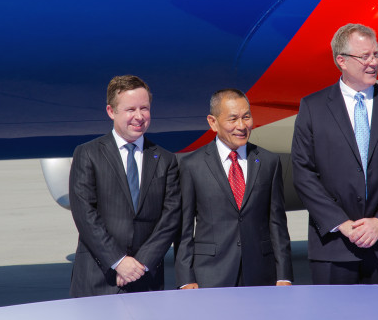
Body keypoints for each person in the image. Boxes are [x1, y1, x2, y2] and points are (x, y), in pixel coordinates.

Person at [291, 24, 378, 284]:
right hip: (334, 245)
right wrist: (342, 223)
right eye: (365, 56)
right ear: (341, 61)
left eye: (376, 55)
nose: (373, 62)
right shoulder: (313, 108)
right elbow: (303, 173)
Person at [69, 75, 181, 297]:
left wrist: (140, 264)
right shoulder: (88, 154)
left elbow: (170, 218)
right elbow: (85, 214)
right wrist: (118, 261)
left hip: (145, 279)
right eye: (130, 109)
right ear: (111, 111)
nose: (139, 117)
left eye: (145, 108)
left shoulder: (166, 160)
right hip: (97, 278)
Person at [175, 89, 293, 288]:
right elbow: (183, 229)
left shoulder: (268, 161)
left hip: (260, 274)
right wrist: (186, 279)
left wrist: (284, 275)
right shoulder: (192, 165)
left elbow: (277, 224)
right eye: (233, 119)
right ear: (213, 122)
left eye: (246, 117)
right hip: (210, 274)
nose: (242, 126)